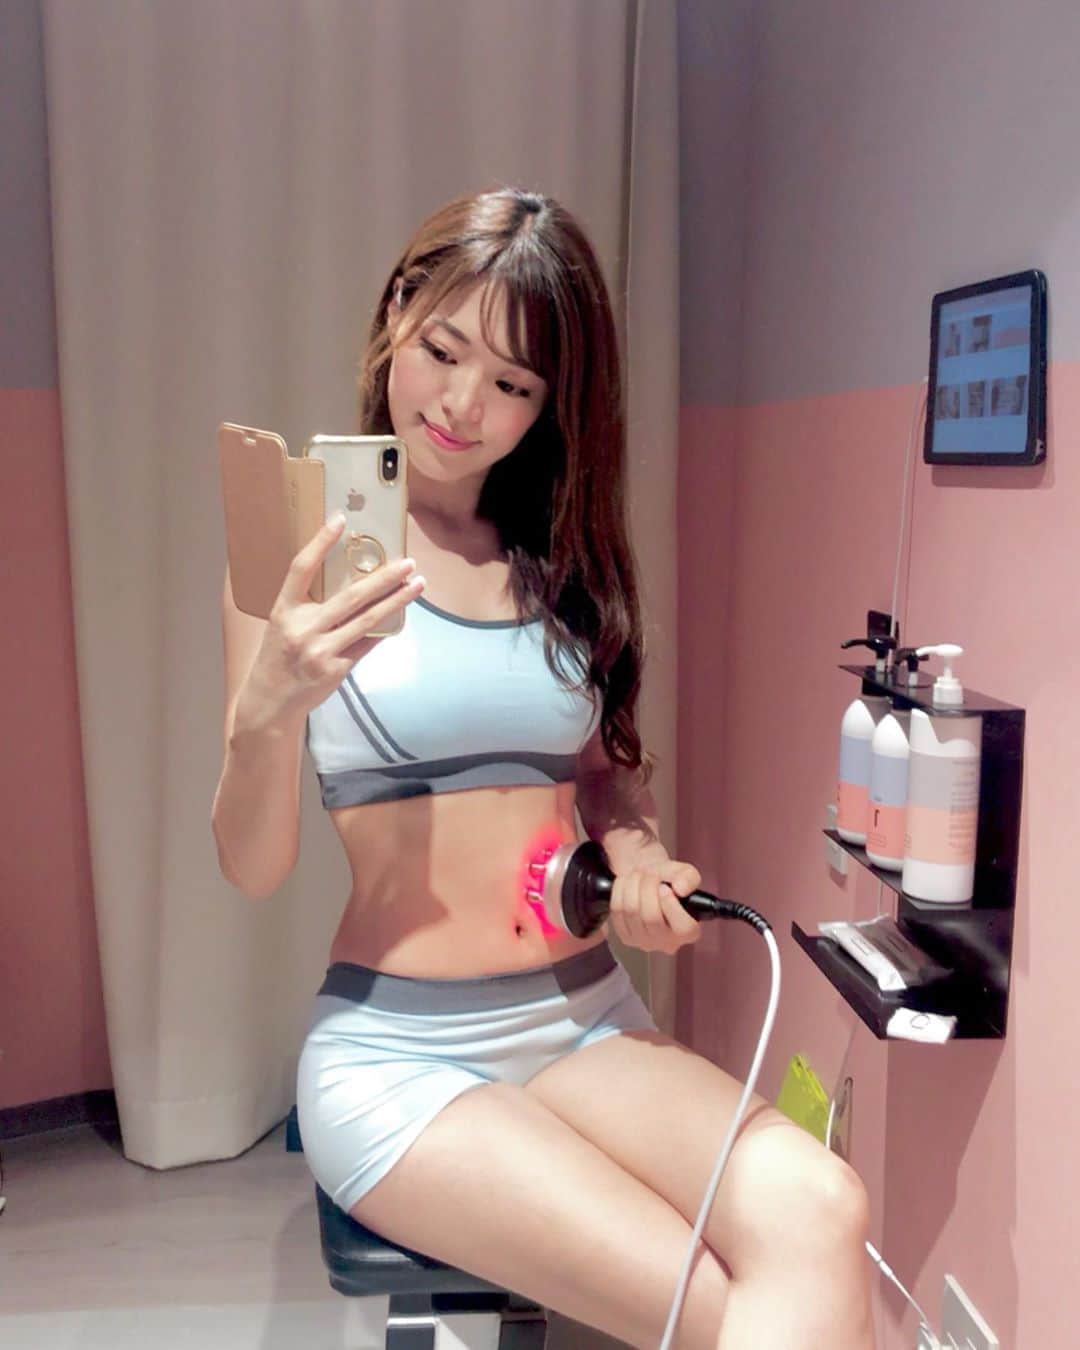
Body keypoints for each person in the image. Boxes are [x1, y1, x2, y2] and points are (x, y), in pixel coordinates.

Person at [212, 187, 874, 1350]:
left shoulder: (553, 558)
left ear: (551, 404)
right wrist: (266, 711)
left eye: (513, 384)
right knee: (716, 1306)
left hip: (586, 1016)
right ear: (396, 314)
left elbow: (607, 777)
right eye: (443, 352)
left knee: (823, 1206)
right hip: (402, 1052)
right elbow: (252, 866)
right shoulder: (297, 551)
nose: (463, 405)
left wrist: (642, 859)